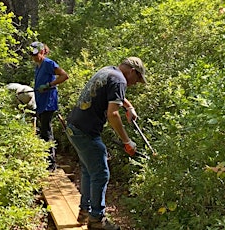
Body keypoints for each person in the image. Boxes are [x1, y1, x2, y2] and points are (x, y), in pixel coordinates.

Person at [65, 57, 147, 230]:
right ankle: (96, 220)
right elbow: (112, 114)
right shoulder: (120, 80)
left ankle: (85, 211)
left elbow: (111, 95)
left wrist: (129, 107)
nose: (135, 84)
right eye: (137, 79)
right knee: (101, 174)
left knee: (89, 171)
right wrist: (127, 141)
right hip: (86, 132)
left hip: (74, 127)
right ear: (132, 71)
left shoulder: (109, 71)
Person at [30, 41, 69, 172]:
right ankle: (46, 161)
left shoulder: (48, 63)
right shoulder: (38, 66)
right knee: (43, 131)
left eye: (36, 54)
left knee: (46, 132)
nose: (34, 57)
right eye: (32, 55)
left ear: (42, 52)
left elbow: (64, 76)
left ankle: (51, 164)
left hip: (48, 103)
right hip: (41, 103)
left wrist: (49, 85)